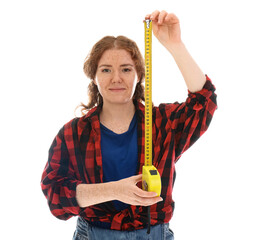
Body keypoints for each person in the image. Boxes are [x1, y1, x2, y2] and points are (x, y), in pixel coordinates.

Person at [41, 10, 217, 240]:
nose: (116, 78)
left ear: (139, 75)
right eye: (106, 70)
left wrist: (174, 44)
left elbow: (204, 101)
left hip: (154, 234)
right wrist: (114, 190)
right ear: (94, 76)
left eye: (126, 69)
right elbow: (55, 195)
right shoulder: (73, 133)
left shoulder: (162, 123)